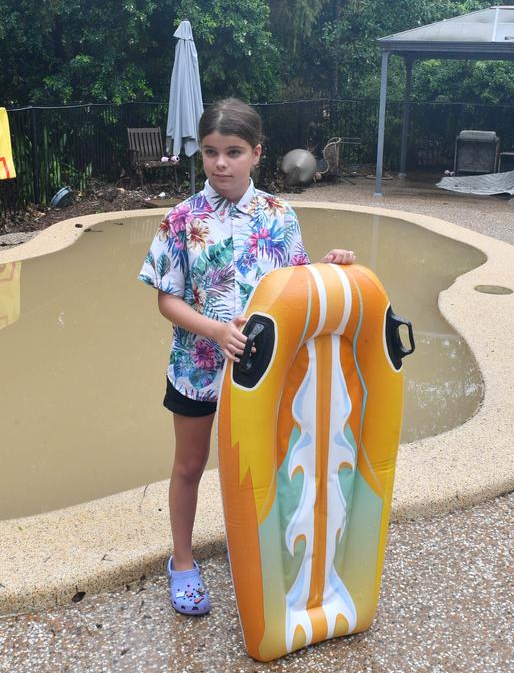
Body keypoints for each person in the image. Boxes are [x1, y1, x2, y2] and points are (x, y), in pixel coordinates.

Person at [136, 98, 356, 616]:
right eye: (211, 152)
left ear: (257, 154)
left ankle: (262, 551)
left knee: (271, 465)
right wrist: (214, 328)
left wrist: (332, 268)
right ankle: (183, 560)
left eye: (233, 152)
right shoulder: (181, 219)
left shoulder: (280, 216)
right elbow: (166, 297)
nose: (220, 164)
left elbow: (297, 288)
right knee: (190, 464)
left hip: (265, 370)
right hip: (196, 367)